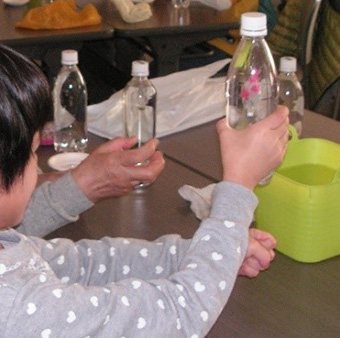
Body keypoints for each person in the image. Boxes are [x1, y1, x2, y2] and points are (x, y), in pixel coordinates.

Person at [0, 44, 289, 337]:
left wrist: (210, 248)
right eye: (34, 153)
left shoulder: (6, 247)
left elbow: (86, 263)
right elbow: (178, 315)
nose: (37, 170)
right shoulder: (14, 306)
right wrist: (238, 185)